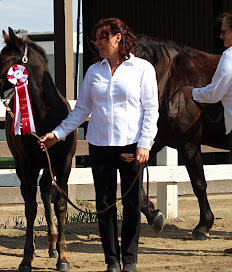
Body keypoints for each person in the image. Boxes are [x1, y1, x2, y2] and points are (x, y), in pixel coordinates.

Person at [40, 18, 159, 272]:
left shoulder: (142, 68)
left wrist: (145, 144)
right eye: (97, 39)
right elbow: (81, 110)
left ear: (118, 38)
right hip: (101, 145)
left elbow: (151, 110)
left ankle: (129, 259)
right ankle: (112, 261)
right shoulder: (94, 71)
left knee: (132, 205)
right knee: (104, 203)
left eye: (103, 38)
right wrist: (57, 133)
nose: (98, 43)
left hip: (132, 145)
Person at [181, 12, 232, 257]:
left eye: (224, 31)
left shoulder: (229, 58)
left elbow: (214, 93)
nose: (221, 35)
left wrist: (193, 92)